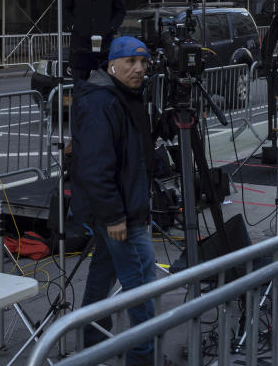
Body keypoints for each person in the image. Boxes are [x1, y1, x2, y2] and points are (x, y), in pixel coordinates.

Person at [70, 36, 156, 365]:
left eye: (144, 62)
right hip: (119, 213)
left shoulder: (122, 95)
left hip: (118, 207)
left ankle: (92, 344)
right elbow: (96, 167)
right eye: (131, 62)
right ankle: (142, 357)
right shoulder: (102, 101)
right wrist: (114, 215)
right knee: (142, 287)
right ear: (112, 65)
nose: (139, 69)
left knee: (102, 274)